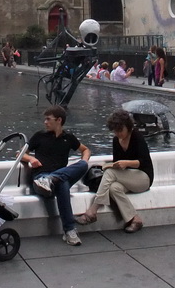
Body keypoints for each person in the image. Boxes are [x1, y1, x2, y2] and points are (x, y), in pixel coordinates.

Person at [20, 105, 90, 246]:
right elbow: (20, 153)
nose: (45, 122)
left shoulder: (68, 138)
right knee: (62, 184)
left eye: (48, 119)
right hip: (40, 179)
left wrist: (85, 159)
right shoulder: (39, 136)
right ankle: (69, 230)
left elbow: (86, 149)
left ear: (59, 120)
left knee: (82, 165)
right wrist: (32, 159)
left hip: (57, 178)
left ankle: (51, 179)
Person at [75, 110, 153, 232]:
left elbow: (144, 162)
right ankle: (135, 219)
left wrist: (127, 163)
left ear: (128, 127)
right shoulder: (116, 141)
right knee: (113, 188)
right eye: (115, 131)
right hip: (128, 178)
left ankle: (92, 211)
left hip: (143, 177)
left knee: (110, 173)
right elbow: (117, 161)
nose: (118, 134)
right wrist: (112, 165)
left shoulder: (137, 137)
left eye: (120, 130)